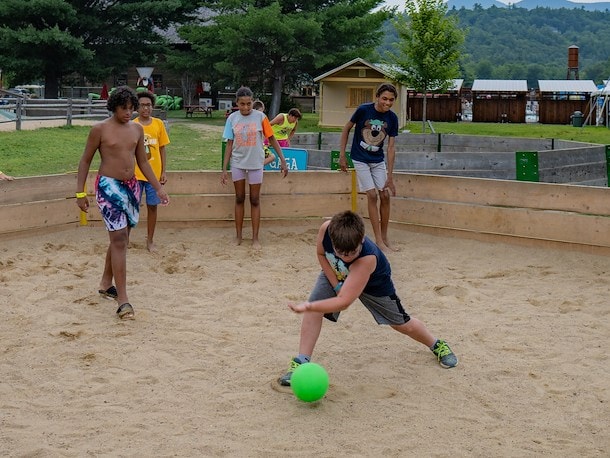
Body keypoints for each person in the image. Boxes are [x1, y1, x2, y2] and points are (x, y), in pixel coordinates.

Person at [278, 210, 457, 387]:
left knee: (402, 324)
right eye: (340, 252)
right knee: (315, 309)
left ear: (362, 238)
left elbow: (345, 302)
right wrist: (335, 284)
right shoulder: (326, 229)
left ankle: (437, 345)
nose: (346, 256)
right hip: (337, 272)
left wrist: (309, 305)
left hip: (373, 283)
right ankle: (301, 362)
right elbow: (321, 254)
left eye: (351, 253)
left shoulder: (366, 258)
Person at [75, 86, 170, 320]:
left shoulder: (136, 129)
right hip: (108, 187)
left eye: (131, 108)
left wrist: (158, 187)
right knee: (119, 239)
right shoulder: (100, 129)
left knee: (121, 237)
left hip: (131, 188)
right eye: (123, 108)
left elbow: (144, 162)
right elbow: (85, 160)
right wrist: (80, 193)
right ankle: (123, 300)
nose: (128, 112)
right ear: (113, 106)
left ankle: (106, 283)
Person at [221, 87, 288, 249]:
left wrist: (283, 160)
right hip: (238, 163)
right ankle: (238, 236)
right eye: (242, 104)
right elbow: (229, 144)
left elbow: (272, 139)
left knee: (255, 199)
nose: (245, 107)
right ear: (237, 103)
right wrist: (224, 168)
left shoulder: (261, 117)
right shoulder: (232, 119)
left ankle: (255, 237)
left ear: (253, 102)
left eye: (248, 104)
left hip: (256, 163)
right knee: (239, 198)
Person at [339, 83, 399, 252]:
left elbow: (391, 147)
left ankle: (385, 236)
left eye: (391, 100)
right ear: (377, 97)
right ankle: (378, 239)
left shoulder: (392, 118)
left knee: (385, 195)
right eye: (384, 99)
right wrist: (342, 155)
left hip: (377, 160)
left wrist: (390, 176)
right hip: (360, 158)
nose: (387, 103)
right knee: (371, 195)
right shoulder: (363, 110)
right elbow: (347, 129)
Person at [133, 90, 170, 252]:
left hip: (154, 175)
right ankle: (125, 238)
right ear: (136, 107)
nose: (145, 109)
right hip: (135, 174)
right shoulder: (132, 125)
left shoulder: (159, 124)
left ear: (152, 107)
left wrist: (163, 171)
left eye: (148, 105)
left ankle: (150, 240)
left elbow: (162, 149)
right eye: (142, 105)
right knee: (132, 206)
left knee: (152, 206)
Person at [253, 100, 276, 166]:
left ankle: (257, 166)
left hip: (258, 144)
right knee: (272, 157)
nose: (262, 114)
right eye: (261, 111)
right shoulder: (260, 119)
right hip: (258, 145)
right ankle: (257, 167)